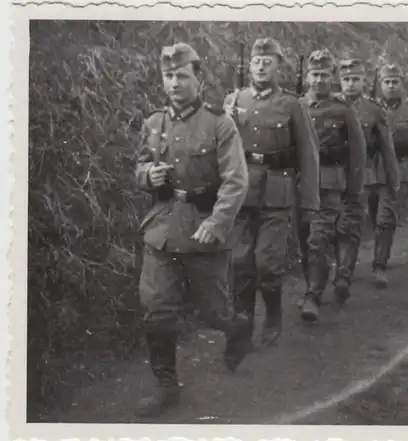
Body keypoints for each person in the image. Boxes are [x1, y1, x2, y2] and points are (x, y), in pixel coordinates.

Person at [134, 42, 251, 417]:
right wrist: (147, 176)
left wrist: (217, 222)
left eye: (182, 76)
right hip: (163, 227)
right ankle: (166, 385)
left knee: (214, 312)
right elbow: (138, 167)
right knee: (157, 310)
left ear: (198, 79)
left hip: (204, 229)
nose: (174, 83)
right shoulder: (154, 123)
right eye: (168, 76)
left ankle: (236, 328)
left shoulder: (220, 124)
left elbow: (235, 181)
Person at [224, 37, 320, 345]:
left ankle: (274, 316)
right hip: (242, 193)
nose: (261, 66)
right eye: (256, 61)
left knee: (267, 262)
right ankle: (244, 325)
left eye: (268, 61)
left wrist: (309, 200)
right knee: (240, 262)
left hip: (277, 192)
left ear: (279, 66)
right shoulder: (234, 100)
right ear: (248, 65)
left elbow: (308, 153)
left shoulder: (292, 104)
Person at [298, 49, 366, 322]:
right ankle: (313, 283)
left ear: (332, 78)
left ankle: (313, 295)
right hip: (300, 184)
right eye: (314, 75)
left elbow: (358, 152)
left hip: (329, 183)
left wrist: (354, 188)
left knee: (319, 238)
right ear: (307, 77)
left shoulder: (343, 110)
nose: (319, 80)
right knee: (305, 239)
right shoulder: (297, 106)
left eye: (324, 75)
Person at [337, 58, 400, 288]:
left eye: (356, 79)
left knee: (366, 221)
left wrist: (393, 179)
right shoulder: (331, 106)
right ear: (339, 81)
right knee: (335, 225)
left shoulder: (373, 110)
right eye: (346, 79)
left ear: (364, 81)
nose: (351, 84)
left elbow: (387, 148)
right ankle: (340, 269)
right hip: (334, 175)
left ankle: (370, 268)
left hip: (365, 175)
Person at [371, 63, 408, 286]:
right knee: (372, 215)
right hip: (370, 170)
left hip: (397, 171)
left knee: (385, 217)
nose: (391, 86)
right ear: (380, 85)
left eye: (395, 81)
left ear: (401, 84)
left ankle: (379, 266)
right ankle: (380, 251)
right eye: (386, 82)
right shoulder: (371, 109)